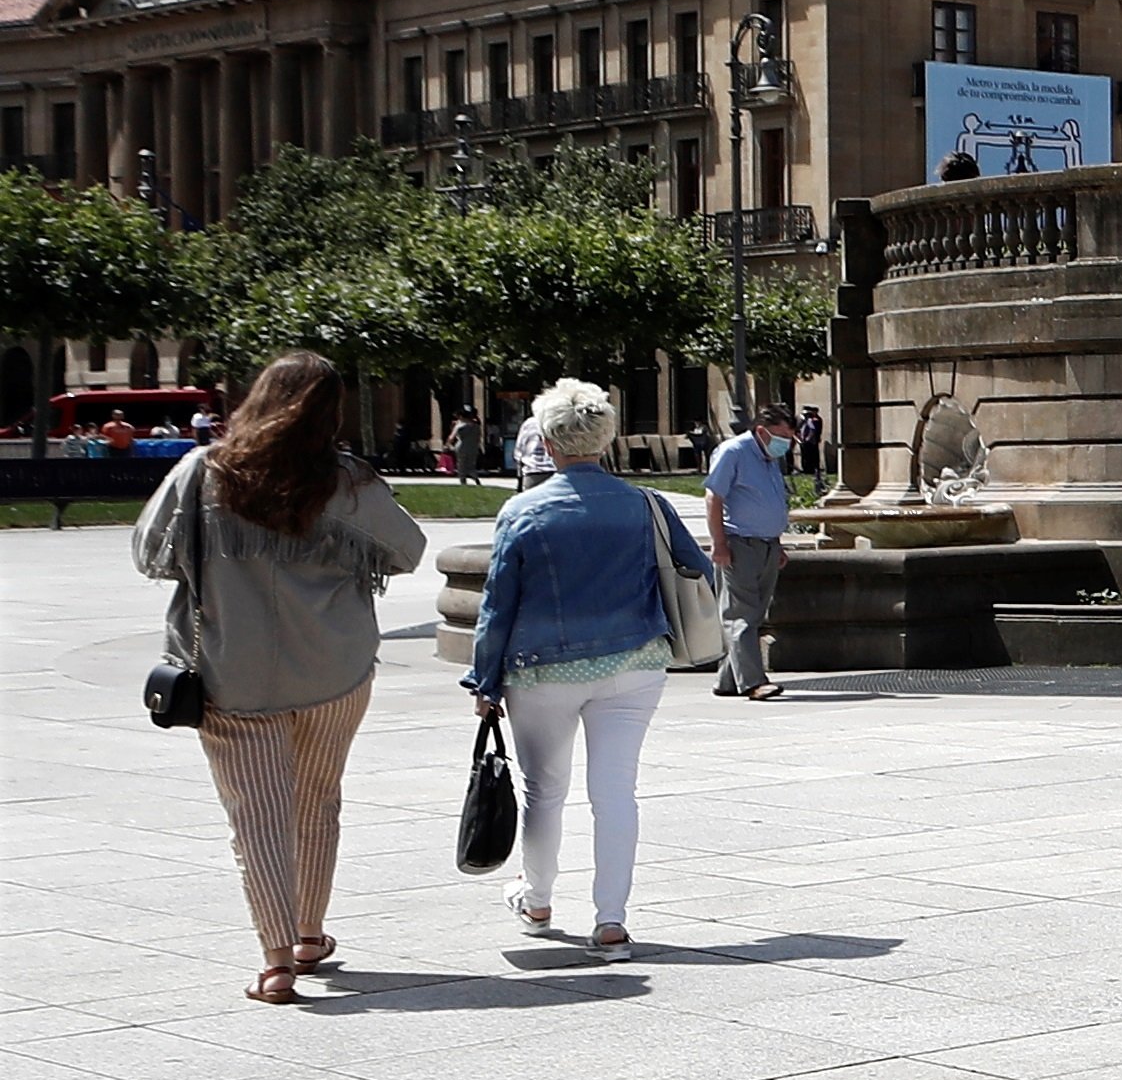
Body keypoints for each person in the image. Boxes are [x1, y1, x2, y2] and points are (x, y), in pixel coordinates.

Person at [131, 353, 425, 1003]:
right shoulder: (348, 481)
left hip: (230, 672)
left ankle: (275, 961)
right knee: (317, 801)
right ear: (332, 412)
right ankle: (308, 934)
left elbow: (149, 553)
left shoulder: (201, 473)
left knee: (255, 817)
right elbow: (408, 551)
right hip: (336, 667)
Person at [464, 379, 711, 958]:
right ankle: (611, 920)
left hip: (542, 670)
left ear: (547, 443)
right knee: (616, 792)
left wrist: (484, 679)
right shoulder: (645, 504)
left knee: (544, 791)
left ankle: (539, 898)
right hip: (634, 663)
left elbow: (497, 604)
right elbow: (695, 565)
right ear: (607, 440)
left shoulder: (523, 512)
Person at [703, 408, 797, 698]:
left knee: (753, 614)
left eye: (790, 438)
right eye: (781, 436)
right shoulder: (733, 452)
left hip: (766, 544)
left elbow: (769, 500)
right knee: (740, 614)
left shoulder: (769, 458)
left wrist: (777, 541)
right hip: (739, 543)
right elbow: (713, 496)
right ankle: (754, 683)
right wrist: (719, 543)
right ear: (761, 431)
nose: (786, 444)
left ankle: (727, 680)